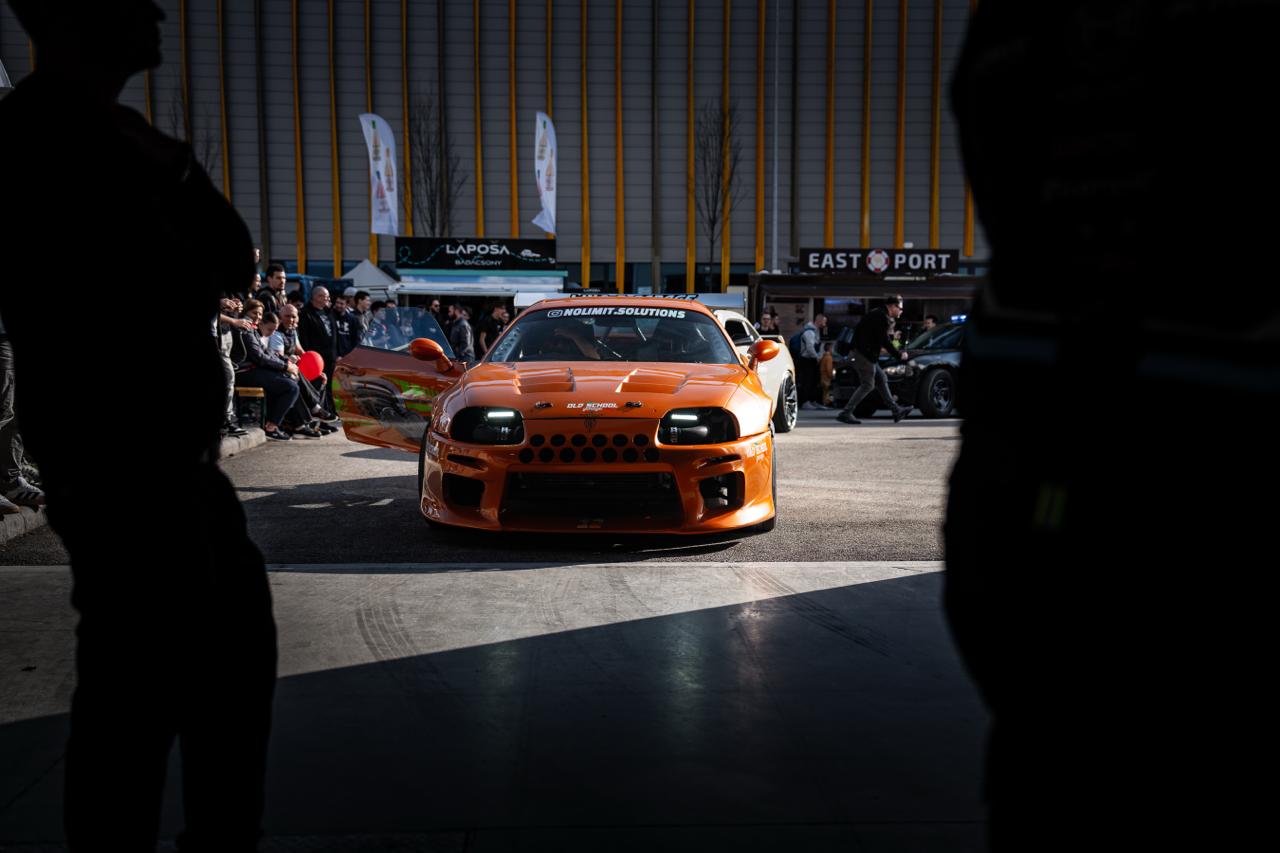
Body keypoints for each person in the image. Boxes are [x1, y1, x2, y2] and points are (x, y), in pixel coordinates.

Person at [0, 3, 277, 849]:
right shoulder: (64, 140)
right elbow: (229, 255)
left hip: (152, 459)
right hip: (124, 459)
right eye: (129, 0)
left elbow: (223, 261)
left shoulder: (93, 132)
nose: (155, 14)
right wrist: (176, 170)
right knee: (145, 686)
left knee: (174, 672)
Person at [836, 296, 912, 424]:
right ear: (892, 306)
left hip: (865, 354)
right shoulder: (881, 317)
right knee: (868, 384)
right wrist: (899, 355)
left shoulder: (877, 313)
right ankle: (846, 412)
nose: (901, 311)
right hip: (863, 354)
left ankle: (896, 410)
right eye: (900, 308)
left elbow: (876, 338)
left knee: (881, 379)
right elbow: (884, 341)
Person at [796, 314, 828, 410]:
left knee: (814, 381)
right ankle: (805, 402)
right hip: (807, 360)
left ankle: (812, 400)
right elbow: (810, 347)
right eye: (824, 321)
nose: (825, 323)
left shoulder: (815, 331)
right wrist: (817, 357)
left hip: (812, 360)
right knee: (807, 381)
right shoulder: (809, 332)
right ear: (819, 321)